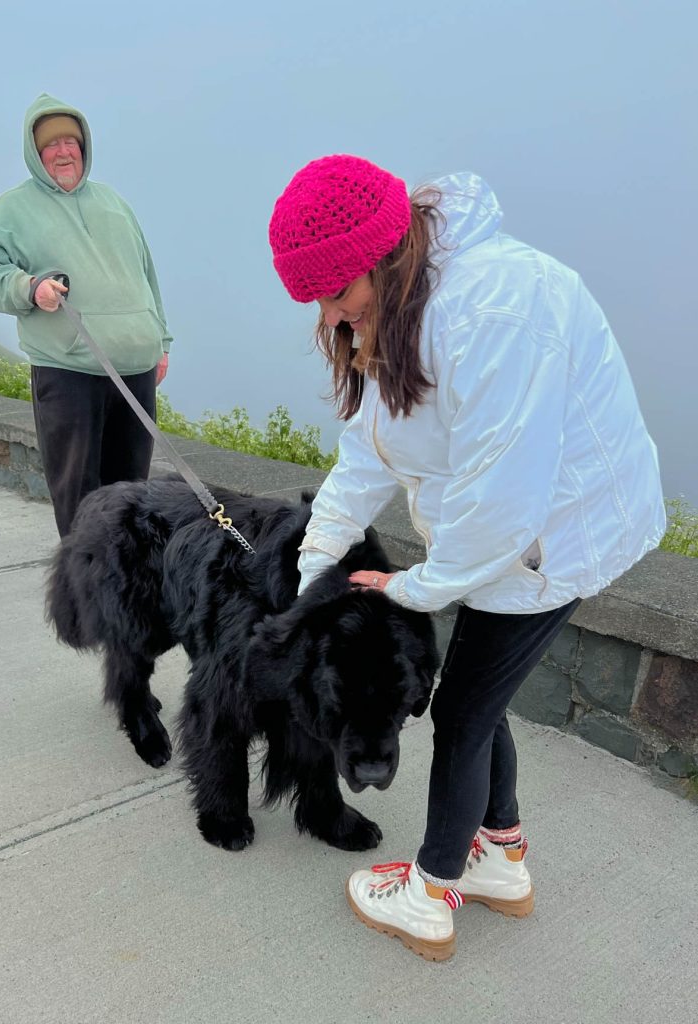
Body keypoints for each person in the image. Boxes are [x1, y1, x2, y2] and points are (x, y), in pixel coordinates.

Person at [268, 155, 666, 962]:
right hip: (509, 534)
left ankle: (432, 890)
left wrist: (421, 586)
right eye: (315, 295)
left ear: (383, 252)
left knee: (459, 712)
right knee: (475, 701)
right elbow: (368, 454)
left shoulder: (494, 309)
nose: (331, 312)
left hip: (554, 536)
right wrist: (314, 565)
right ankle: (500, 858)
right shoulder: (394, 309)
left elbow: (505, 496)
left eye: (337, 289)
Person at [0, 93, 173, 537]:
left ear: (84, 146)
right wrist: (29, 288)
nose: (63, 152)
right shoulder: (13, 208)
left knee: (133, 495)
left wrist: (162, 342)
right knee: (80, 496)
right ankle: (82, 596)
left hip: (135, 368)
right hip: (69, 372)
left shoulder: (113, 202)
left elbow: (145, 274)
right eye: (51, 145)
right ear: (36, 153)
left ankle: (125, 592)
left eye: (71, 142)